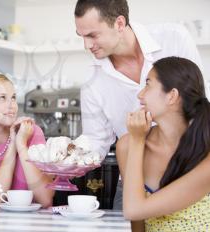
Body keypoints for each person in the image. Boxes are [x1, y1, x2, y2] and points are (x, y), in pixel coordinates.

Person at [74, 0, 204, 210]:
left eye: (93, 35)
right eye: (81, 36)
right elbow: (95, 140)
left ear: (119, 23)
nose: (87, 46)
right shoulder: (92, 80)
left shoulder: (174, 38)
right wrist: (64, 159)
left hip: (189, 170)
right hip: (134, 179)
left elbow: (198, 100)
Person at [116, 57, 210, 232]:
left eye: (148, 85)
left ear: (172, 96)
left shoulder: (206, 154)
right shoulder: (127, 145)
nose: (140, 95)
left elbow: (133, 209)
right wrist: (137, 141)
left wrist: (138, 141)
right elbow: (137, 223)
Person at [0, 72, 54, 208]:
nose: (12, 105)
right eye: (2, 98)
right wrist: (13, 145)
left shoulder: (31, 132)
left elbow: (45, 199)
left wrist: (22, 145)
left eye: (13, 98)